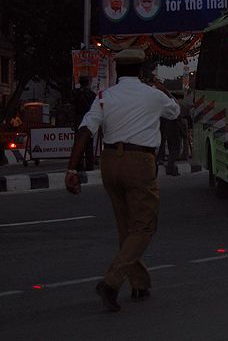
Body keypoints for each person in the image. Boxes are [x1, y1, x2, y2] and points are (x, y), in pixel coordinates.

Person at [65, 48, 180, 312]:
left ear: (117, 70)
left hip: (109, 163)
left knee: (126, 226)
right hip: (139, 162)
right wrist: (162, 88)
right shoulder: (153, 95)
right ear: (141, 70)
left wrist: (71, 170)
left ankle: (139, 283)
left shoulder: (104, 96)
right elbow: (175, 112)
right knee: (144, 226)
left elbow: (85, 131)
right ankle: (111, 281)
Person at [72, 76, 96, 171]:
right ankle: (89, 166)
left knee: (79, 144)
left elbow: (72, 108)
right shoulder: (92, 94)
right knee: (89, 145)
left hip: (78, 121)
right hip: (89, 121)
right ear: (88, 82)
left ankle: (79, 166)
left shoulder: (75, 93)